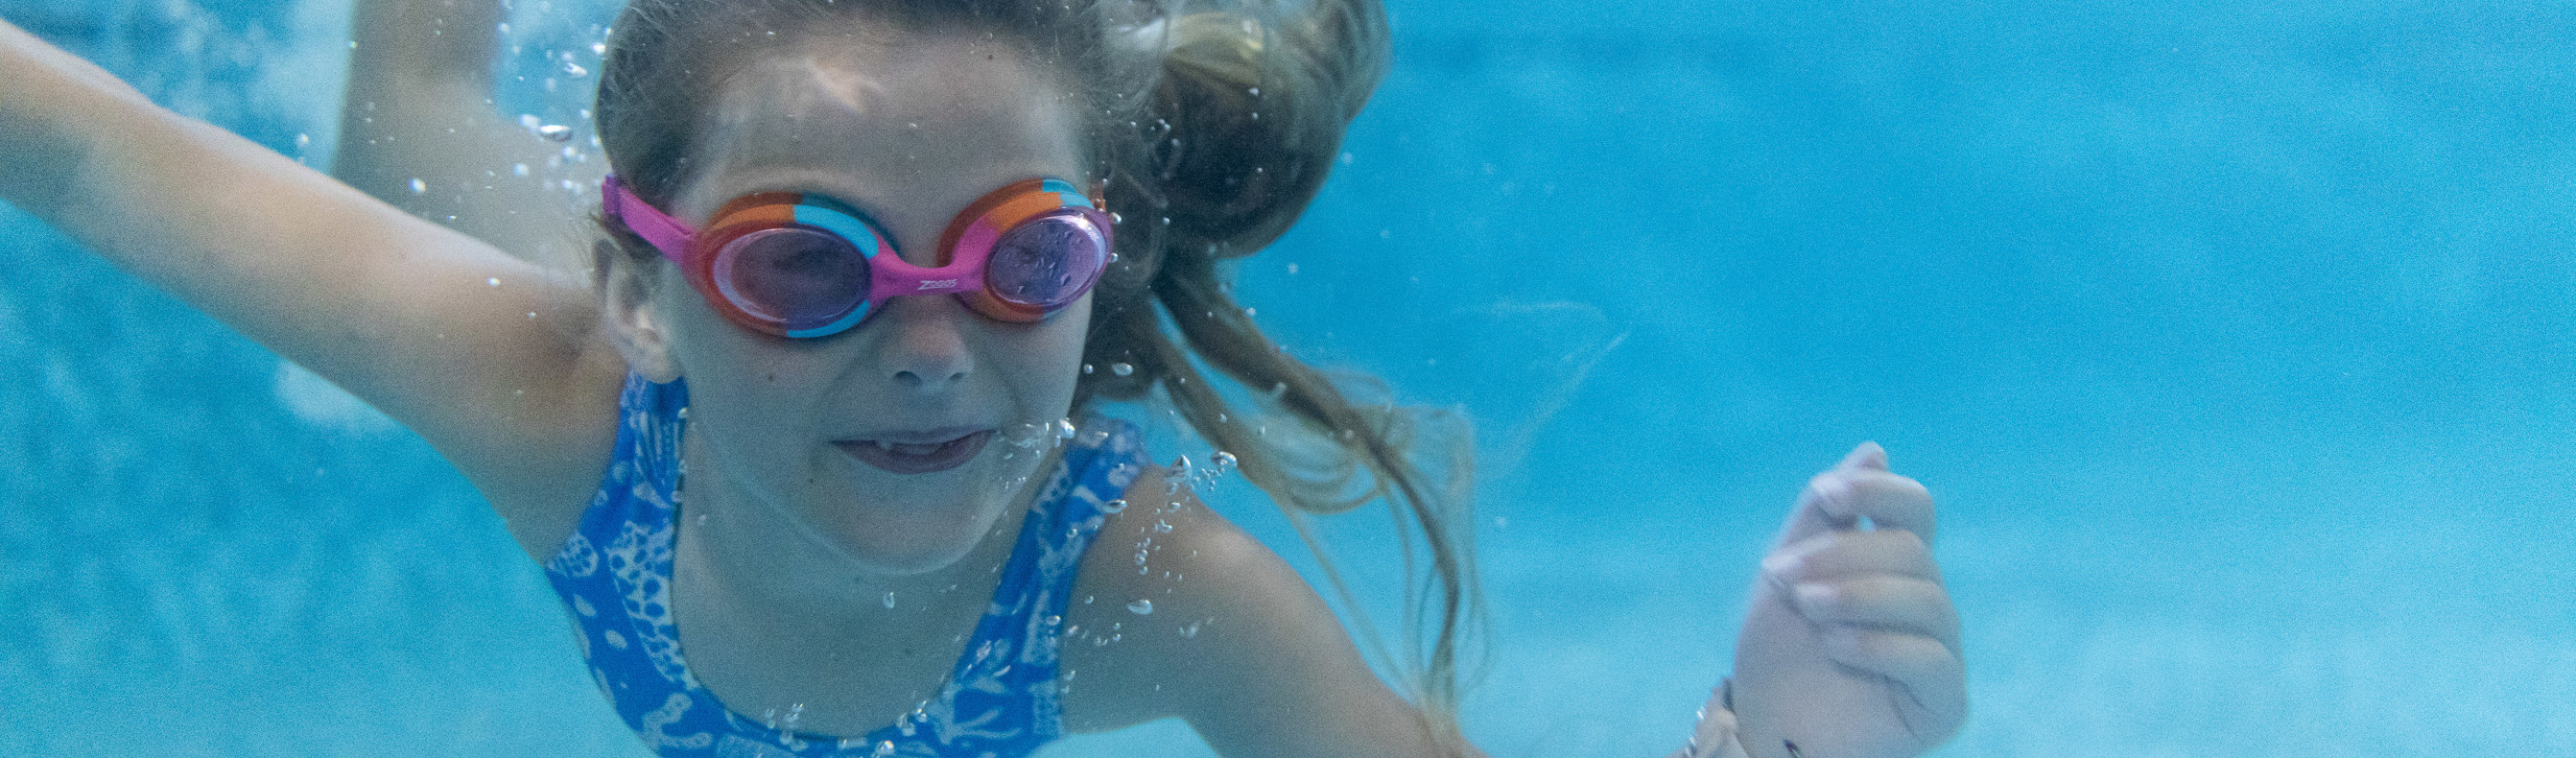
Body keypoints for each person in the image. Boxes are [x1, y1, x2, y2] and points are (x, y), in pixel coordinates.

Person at [0, 0, 1966, 755]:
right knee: (409, 117)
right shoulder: (550, 382)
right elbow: (82, 145)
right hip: (576, 282)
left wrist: (1788, 744)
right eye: (806, 267)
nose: (929, 348)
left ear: (1090, 251)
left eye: (1020, 258)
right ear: (652, 287)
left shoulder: (1137, 585)